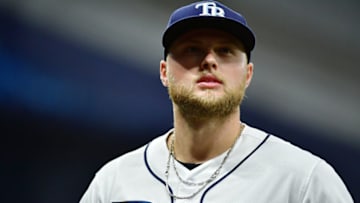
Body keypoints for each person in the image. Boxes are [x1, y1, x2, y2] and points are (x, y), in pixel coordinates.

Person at [80, 1, 354, 202]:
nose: (209, 60)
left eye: (225, 51)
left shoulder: (304, 180)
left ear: (248, 74)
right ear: (164, 72)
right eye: (192, 49)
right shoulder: (114, 180)